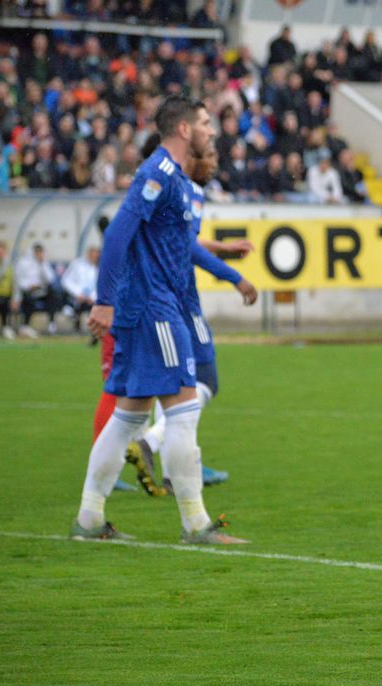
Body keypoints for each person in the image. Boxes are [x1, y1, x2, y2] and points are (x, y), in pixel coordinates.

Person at [70, 95, 247, 545]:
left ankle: (89, 520)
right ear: (184, 129)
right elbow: (118, 234)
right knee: (184, 412)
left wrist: (226, 268)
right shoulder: (160, 172)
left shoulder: (181, 182)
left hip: (150, 307)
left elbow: (179, 245)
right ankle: (196, 524)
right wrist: (103, 301)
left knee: (128, 418)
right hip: (155, 309)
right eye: (205, 123)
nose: (211, 130)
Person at [127, 139, 258, 495]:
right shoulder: (190, 190)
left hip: (151, 295)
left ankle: (176, 467)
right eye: (211, 156)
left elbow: (185, 241)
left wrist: (224, 248)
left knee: (169, 384)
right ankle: (154, 445)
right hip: (180, 298)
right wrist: (234, 276)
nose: (216, 162)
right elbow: (188, 250)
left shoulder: (158, 185)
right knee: (205, 381)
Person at [12, 243, 62, 337]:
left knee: (53, 295)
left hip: (41, 290)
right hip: (27, 290)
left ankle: (51, 324)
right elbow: (18, 281)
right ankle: (25, 326)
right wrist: (29, 286)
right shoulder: (22, 263)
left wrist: (42, 264)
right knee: (28, 299)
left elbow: (50, 279)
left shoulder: (43, 263)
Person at [61, 246, 100, 332]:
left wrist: (93, 297)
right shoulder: (76, 264)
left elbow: (100, 285)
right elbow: (66, 281)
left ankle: (94, 333)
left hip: (92, 299)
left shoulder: (100, 267)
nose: (95, 258)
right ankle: (76, 330)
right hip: (77, 297)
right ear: (89, 254)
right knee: (74, 306)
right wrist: (78, 293)